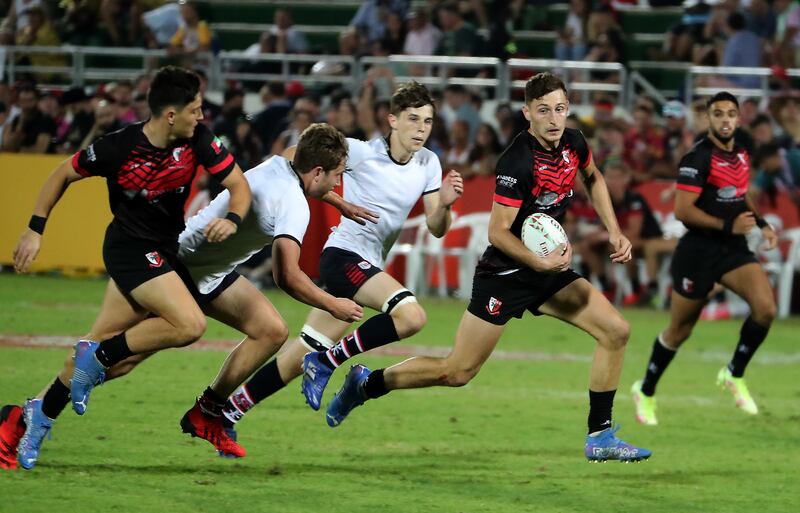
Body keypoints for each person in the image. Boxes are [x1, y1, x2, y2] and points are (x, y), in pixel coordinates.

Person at [323, 73, 652, 463]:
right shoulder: (516, 160)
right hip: (505, 275)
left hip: (547, 272)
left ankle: (600, 435)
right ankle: (367, 383)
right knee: (457, 372)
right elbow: (497, 232)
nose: (553, 119)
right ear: (527, 112)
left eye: (560, 109)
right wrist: (540, 261)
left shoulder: (574, 143)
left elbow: (593, 177)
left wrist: (614, 231)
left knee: (616, 331)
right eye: (543, 110)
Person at [0, 124, 370, 469]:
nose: (340, 183)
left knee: (270, 330)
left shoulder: (288, 160)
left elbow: (307, 161)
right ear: (318, 172)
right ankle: (24, 417)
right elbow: (287, 277)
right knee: (109, 358)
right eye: (337, 175)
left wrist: (339, 204)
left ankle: (207, 412)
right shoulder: (294, 204)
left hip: (208, 271)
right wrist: (332, 304)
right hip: (169, 266)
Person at [6, 66, 252, 470]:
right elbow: (63, 172)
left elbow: (239, 187)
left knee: (125, 357)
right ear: (170, 115)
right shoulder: (118, 146)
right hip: (128, 249)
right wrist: (35, 228)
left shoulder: (199, 140)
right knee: (189, 325)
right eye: (195, 109)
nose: (202, 116)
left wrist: (235, 220)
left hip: (165, 253)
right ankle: (95, 357)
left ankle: (38, 413)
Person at [216, 81, 464, 449]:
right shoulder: (363, 152)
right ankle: (331, 362)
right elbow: (294, 156)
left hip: (368, 268)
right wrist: (338, 202)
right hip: (343, 256)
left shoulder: (429, 163)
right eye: (413, 119)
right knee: (412, 317)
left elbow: (436, 228)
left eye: (428, 121)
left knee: (300, 354)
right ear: (392, 120)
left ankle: (228, 414)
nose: (421, 129)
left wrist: (443, 205)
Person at [630, 92, 778, 426]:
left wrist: (764, 223)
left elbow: (742, 195)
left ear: (739, 119)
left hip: (732, 249)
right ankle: (646, 390)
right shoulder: (697, 158)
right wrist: (727, 223)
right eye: (718, 114)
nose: (725, 120)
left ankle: (733, 373)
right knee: (680, 330)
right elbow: (682, 211)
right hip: (698, 252)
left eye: (731, 114)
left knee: (766, 309)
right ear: (709, 119)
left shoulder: (741, 153)